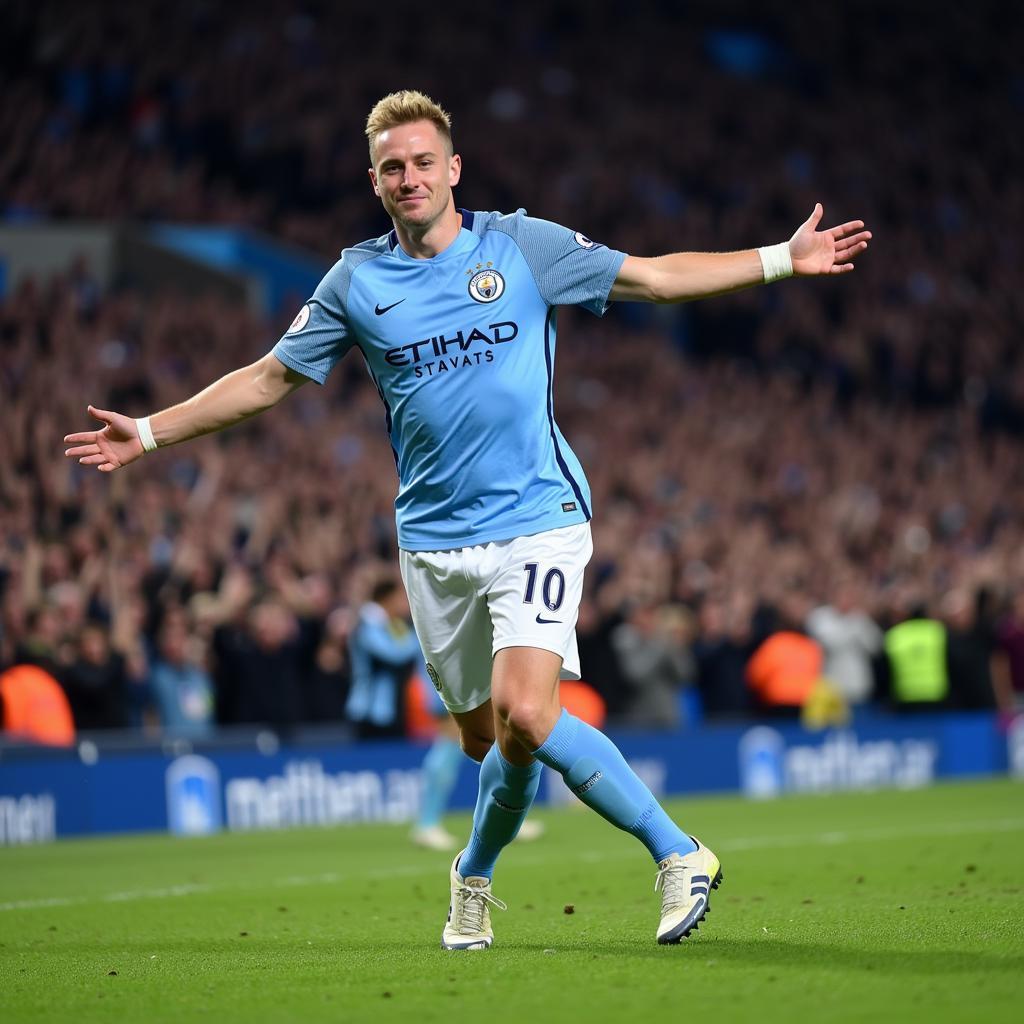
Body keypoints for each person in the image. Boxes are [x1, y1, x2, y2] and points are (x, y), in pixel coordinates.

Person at [63, 90, 870, 948]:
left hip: (539, 514)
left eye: (421, 163)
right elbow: (269, 378)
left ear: (454, 169)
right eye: (390, 168)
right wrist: (148, 432)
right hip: (434, 544)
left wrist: (779, 259)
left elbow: (654, 276)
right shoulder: (355, 281)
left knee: (528, 711)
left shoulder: (521, 246)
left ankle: (678, 854)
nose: (408, 178)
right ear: (372, 182)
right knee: (491, 742)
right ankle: (473, 875)